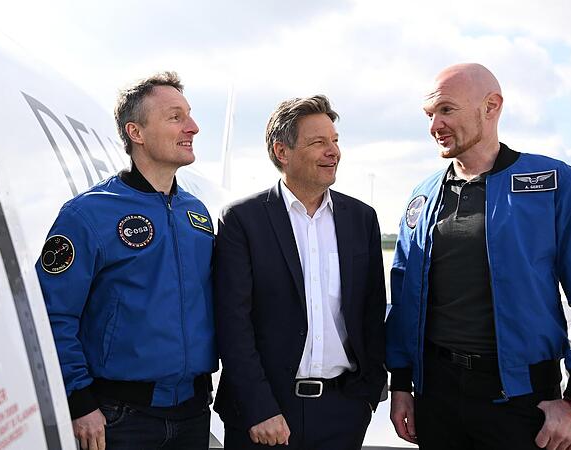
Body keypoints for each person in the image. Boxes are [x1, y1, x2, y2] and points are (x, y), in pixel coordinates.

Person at [385, 63, 571, 450]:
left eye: (447, 110)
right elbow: (403, 297)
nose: (435, 125)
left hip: (522, 403)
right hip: (437, 400)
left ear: (491, 106)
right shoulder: (423, 194)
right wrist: (401, 384)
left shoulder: (555, 183)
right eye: (429, 115)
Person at [35, 71, 216, 450]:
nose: (193, 127)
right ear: (136, 132)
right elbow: (53, 314)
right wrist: (79, 401)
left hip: (194, 413)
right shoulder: (88, 214)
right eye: (176, 117)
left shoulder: (196, 213)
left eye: (190, 115)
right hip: (120, 418)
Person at [214, 95, 387, 449]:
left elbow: (372, 311)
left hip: (344, 411)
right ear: (282, 151)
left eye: (335, 141)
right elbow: (233, 324)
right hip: (266, 415)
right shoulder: (242, 221)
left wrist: (367, 398)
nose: (333, 151)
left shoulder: (361, 219)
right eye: (318, 142)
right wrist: (259, 409)